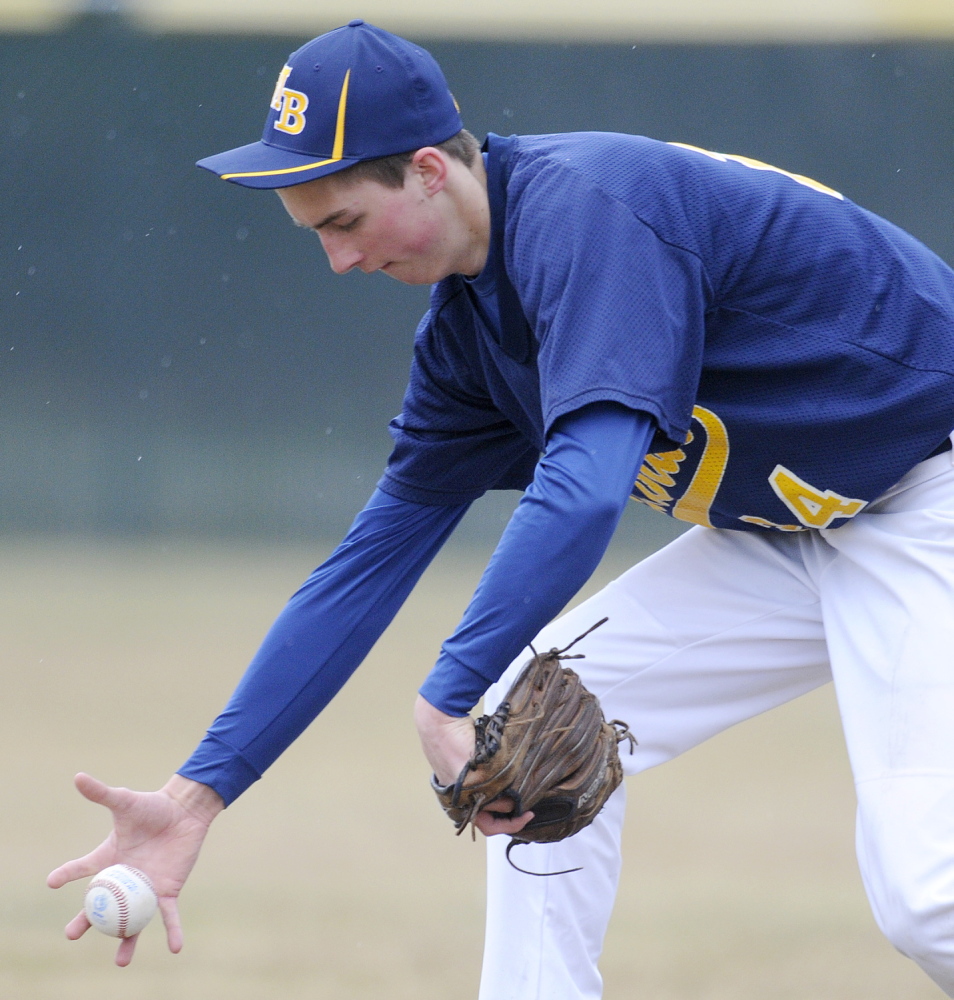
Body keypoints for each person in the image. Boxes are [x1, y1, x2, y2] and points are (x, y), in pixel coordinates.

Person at [48, 19, 954, 997]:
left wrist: (446, 685)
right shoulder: (468, 337)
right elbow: (366, 566)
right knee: (523, 731)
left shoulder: (589, 215)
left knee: (922, 895)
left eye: (343, 223)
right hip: (793, 532)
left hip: (927, 487)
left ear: (429, 170)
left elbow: (587, 485)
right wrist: (198, 795)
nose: (338, 263)